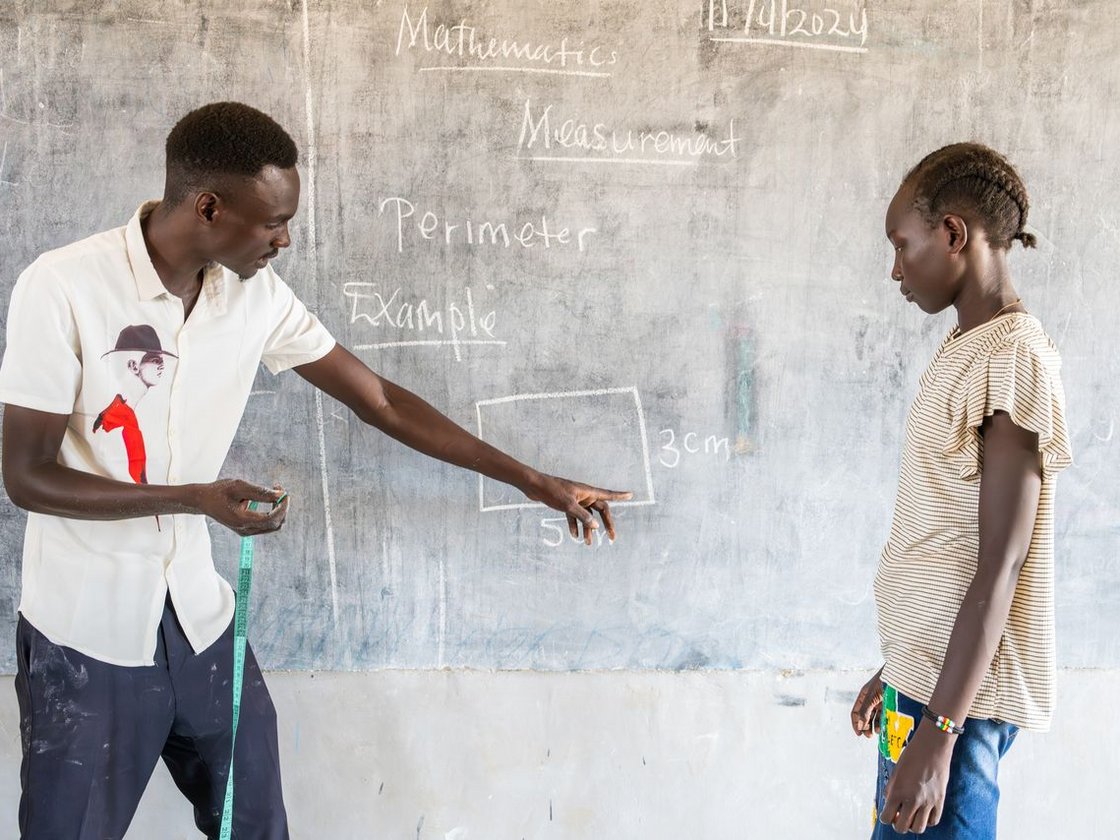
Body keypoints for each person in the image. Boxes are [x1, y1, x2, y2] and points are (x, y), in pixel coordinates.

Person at [0, 101, 630, 840]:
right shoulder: (64, 286)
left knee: (258, 828)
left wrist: (532, 479)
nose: (285, 239)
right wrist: (195, 498)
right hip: (87, 641)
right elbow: (27, 477)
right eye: (272, 222)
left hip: (203, 627)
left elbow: (382, 400)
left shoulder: (254, 296)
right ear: (209, 206)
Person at [849, 143, 1072, 838]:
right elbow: (946, 536)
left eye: (901, 244)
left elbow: (1000, 564)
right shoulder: (966, 346)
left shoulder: (1013, 358)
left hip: (954, 712)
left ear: (952, 234)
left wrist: (940, 735)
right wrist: (897, 666)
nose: (894, 268)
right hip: (914, 689)